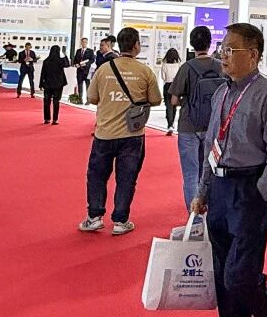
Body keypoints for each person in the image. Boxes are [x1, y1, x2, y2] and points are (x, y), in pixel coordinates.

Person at [190, 22, 267, 317]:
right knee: (223, 275)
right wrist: (203, 190)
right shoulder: (221, 94)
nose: (223, 55)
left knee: (239, 275)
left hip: (250, 190)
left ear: (253, 54)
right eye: (222, 49)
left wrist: (262, 190)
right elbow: (211, 145)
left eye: (230, 50)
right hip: (220, 188)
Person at [81, 27, 161, 236]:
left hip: (104, 133)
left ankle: (94, 217)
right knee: (127, 178)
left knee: (97, 176)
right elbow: (156, 100)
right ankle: (120, 220)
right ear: (136, 46)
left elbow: (92, 98)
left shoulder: (104, 69)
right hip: (133, 135)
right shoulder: (145, 71)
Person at [168, 25, 226, 211]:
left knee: (190, 174)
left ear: (192, 44)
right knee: (208, 171)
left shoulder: (186, 67)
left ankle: (194, 217)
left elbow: (174, 100)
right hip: (213, 125)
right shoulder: (220, 66)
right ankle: (209, 210)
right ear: (210, 43)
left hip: (189, 125)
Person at [39, 45, 70, 125]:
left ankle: (47, 119)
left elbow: (43, 73)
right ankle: (55, 120)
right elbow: (67, 64)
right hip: (58, 84)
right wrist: (65, 54)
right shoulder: (60, 60)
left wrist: (41, 84)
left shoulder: (46, 61)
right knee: (56, 102)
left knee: (46, 102)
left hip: (47, 84)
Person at [159, 47, 182, 136]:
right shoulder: (179, 65)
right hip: (176, 86)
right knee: (174, 105)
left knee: (168, 105)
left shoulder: (164, 65)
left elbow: (163, 77)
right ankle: (172, 124)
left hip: (167, 86)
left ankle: (170, 125)